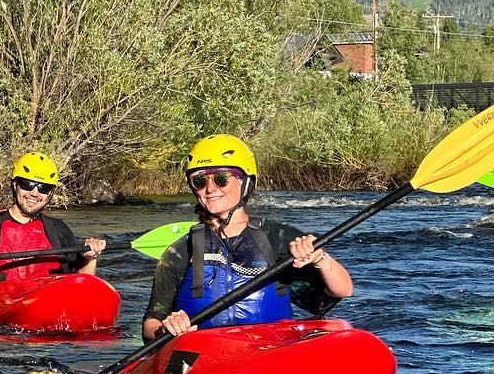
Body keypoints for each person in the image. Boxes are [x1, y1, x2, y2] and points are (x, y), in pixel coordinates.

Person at [143, 134, 353, 340]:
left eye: (220, 179)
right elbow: (151, 323)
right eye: (199, 180)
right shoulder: (180, 250)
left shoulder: (277, 238)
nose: (209, 189)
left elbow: (343, 289)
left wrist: (319, 258)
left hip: (270, 348)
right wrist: (166, 329)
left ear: (244, 182)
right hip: (204, 355)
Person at [0, 152, 105, 300]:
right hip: (1, 304)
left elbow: (84, 280)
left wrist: (90, 257)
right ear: (15, 185)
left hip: (49, 300)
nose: (35, 193)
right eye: (27, 184)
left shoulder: (58, 229)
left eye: (43, 188)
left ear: (49, 193)